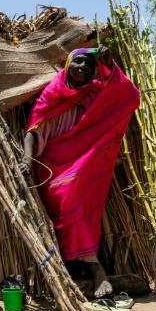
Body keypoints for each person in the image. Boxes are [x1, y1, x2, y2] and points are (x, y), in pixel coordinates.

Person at [20, 46, 140, 298]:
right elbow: (34, 130)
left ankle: (93, 267)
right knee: (67, 194)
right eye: (78, 62)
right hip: (53, 163)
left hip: (82, 160)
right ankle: (90, 267)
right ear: (68, 66)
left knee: (78, 197)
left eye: (88, 64)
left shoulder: (93, 93)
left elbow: (126, 95)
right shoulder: (52, 93)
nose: (82, 68)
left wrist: (110, 65)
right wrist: (27, 160)